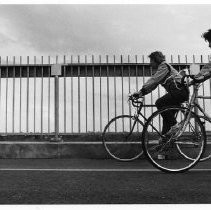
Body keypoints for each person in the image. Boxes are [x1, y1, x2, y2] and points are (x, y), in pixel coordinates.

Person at [132, 51, 189, 138]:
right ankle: (164, 142)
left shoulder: (164, 66)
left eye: (151, 60)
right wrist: (141, 93)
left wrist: (141, 91)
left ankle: (175, 126)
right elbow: (154, 85)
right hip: (178, 92)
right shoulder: (162, 68)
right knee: (167, 118)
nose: (150, 63)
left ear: (156, 60)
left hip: (179, 92)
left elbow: (154, 80)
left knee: (159, 103)